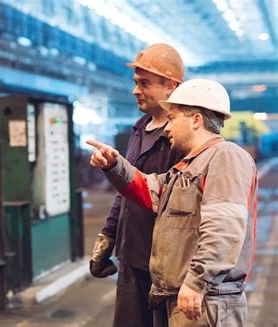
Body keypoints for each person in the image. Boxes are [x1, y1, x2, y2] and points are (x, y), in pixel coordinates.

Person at [88, 78, 258, 326]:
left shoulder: (226, 157)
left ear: (196, 120)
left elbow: (223, 229)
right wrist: (114, 165)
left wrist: (197, 281)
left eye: (173, 118)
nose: (167, 128)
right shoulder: (186, 167)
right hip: (184, 299)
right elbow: (150, 191)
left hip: (205, 301)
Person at [89, 43, 185, 326]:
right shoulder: (140, 128)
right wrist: (108, 235)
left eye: (144, 83)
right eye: (136, 82)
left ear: (170, 85)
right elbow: (125, 190)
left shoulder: (181, 135)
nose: (135, 90)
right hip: (131, 256)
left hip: (164, 266)